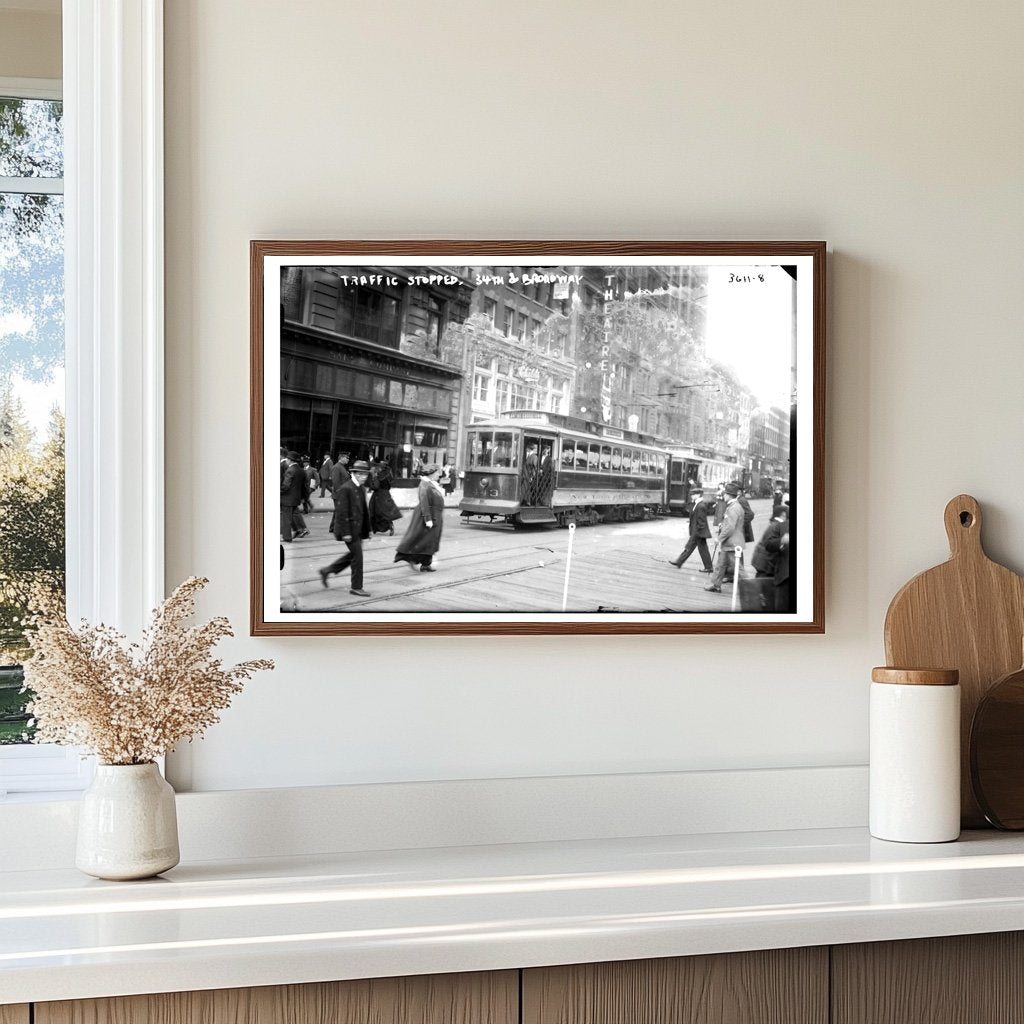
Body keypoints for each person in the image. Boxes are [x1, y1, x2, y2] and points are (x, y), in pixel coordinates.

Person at [318, 460, 372, 596]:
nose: (364, 477)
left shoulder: (360, 487)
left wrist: (369, 529)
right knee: (358, 558)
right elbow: (341, 513)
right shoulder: (346, 488)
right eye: (360, 474)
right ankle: (356, 587)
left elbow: (364, 510)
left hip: (359, 529)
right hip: (349, 530)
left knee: (352, 556)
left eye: (365, 474)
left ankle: (327, 570)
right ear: (354, 474)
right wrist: (346, 533)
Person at [393, 463, 445, 572]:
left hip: (434, 516)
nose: (438, 475)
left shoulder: (430, 483)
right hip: (427, 516)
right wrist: (428, 519)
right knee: (422, 540)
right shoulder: (425, 484)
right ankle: (411, 558)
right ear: (430, 473)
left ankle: (426, 564)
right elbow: (424, 503)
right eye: (436, 473)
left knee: (430, 540)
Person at [706, 481, 745, 593]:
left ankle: (751, 587)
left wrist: (719, 538)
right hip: (730, 542)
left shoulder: (733, 508)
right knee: (720, 564)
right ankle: (716, 585)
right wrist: (722, 524)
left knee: (738, 568)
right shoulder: (735, 506)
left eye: (724, 494)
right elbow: (730, 524)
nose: (723, 496)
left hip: (732, 543)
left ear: (728, 495)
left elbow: (730, 527)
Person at [667, 488, 715, 572]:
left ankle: (680, 561)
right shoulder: (697, 504)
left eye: (693, 494)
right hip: (697, 531)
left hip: (698, 532)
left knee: (692, 547)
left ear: (698, 495)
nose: (691, 496)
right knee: (700, 549)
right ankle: (707, 567)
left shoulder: (701, 506)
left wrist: (696, 533)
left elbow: (701, 522)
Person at [367, 458, 402, 535]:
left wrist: (374, 477)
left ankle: (378, 528)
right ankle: (386, 526)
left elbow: (375, 486)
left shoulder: (378, 475)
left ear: (380, 468)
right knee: (385, 512)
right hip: (386, 494)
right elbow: (390, 484)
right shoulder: (387, 474)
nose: (377, 468)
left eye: (378, 467)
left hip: (378, 496)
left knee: (375, 511)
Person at [279, 451, 308, 542]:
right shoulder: (301, 470)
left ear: (290, 460)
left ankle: (287, 537)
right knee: (292, 516)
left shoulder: (290, 470)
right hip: (296, 498)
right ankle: (299, 530)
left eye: (287, 459)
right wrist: (303, 497)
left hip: (287, 498)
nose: (286, 461)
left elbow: (286, 486)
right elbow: (304, 486)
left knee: (286, 518)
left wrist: (278, 491)